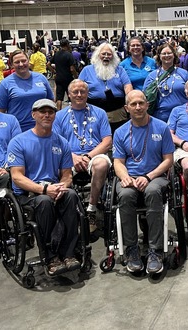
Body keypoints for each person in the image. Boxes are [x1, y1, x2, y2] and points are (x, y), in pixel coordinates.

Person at [7, 99, 81, 276]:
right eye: (42, 112)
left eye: (51, 112)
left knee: (71, 196)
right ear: (34, 115)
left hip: (54, 189)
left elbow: (67, 175)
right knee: (44, 201)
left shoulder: (61, 142)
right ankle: (50, 256)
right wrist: (44, 190)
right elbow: (17, 176)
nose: (47, 115)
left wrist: (61, 187)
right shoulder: (18, 142)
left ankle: (69, 253)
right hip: (29, 194)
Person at [113, 90, 174, 274]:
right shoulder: (120, 132)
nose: (138, 107)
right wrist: (125, 177)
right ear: (127, 108)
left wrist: (148, 176)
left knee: (153, 191)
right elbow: (118, 162)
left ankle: (155, 250)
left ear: (147, 105)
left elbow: (168, 160)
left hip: (156, 177)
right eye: (133, 104)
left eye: (141, 103)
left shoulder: (162, 127)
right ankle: (131, 249)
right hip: (130, 177)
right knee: (124, 194)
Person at [52, 80, 112, 234]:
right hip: (68, 157)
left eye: (82, 92)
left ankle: (91, 208)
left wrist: (87, 156)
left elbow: (107, 141)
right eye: (75, 92)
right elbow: (56, 142)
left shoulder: (100, 113)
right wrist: (72, 157)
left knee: (101, 165)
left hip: (94, 155)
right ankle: (67, 214)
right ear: (69, 94)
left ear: (87, 94)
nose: (79, 95)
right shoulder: (59, 116)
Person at [79, 43, 133, 132]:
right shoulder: (87, 70)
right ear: (97, 55)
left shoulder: (120, 70)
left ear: (113, 56)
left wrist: (131, 100)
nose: (106, 56)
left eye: (109, 54)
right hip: (93, 111)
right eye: (103, 54)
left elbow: (128, 87)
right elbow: (78, 88)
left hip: (117, 111)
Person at [0, 50, 55, 132]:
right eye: (17, 62)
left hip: (44, 128)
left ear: (29, 61)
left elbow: (51, 102)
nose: (21, 64)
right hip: (19, 130)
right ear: (12, 65)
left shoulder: (41, 78)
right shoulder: (5, 84)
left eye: (24, 61)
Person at [142, 43, 188, 122]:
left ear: (174, 55)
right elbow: (145, 97)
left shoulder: (184, 73)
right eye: (164, 53)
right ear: (159, 56)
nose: (167, 55)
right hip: (160, 118)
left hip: (182, 117)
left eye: (169, 53)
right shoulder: (152, 76)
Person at [49, 38, 78, 109]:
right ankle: (73, 111)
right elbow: (72, 69)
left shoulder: (56, 54)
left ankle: (59, 113)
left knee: (59, 98)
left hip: (58, 78)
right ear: (67, 45)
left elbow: (48, 64)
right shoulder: (69, 55)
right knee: (71, 96)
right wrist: (76, 77)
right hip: (68, 78)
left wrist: (53, 71)